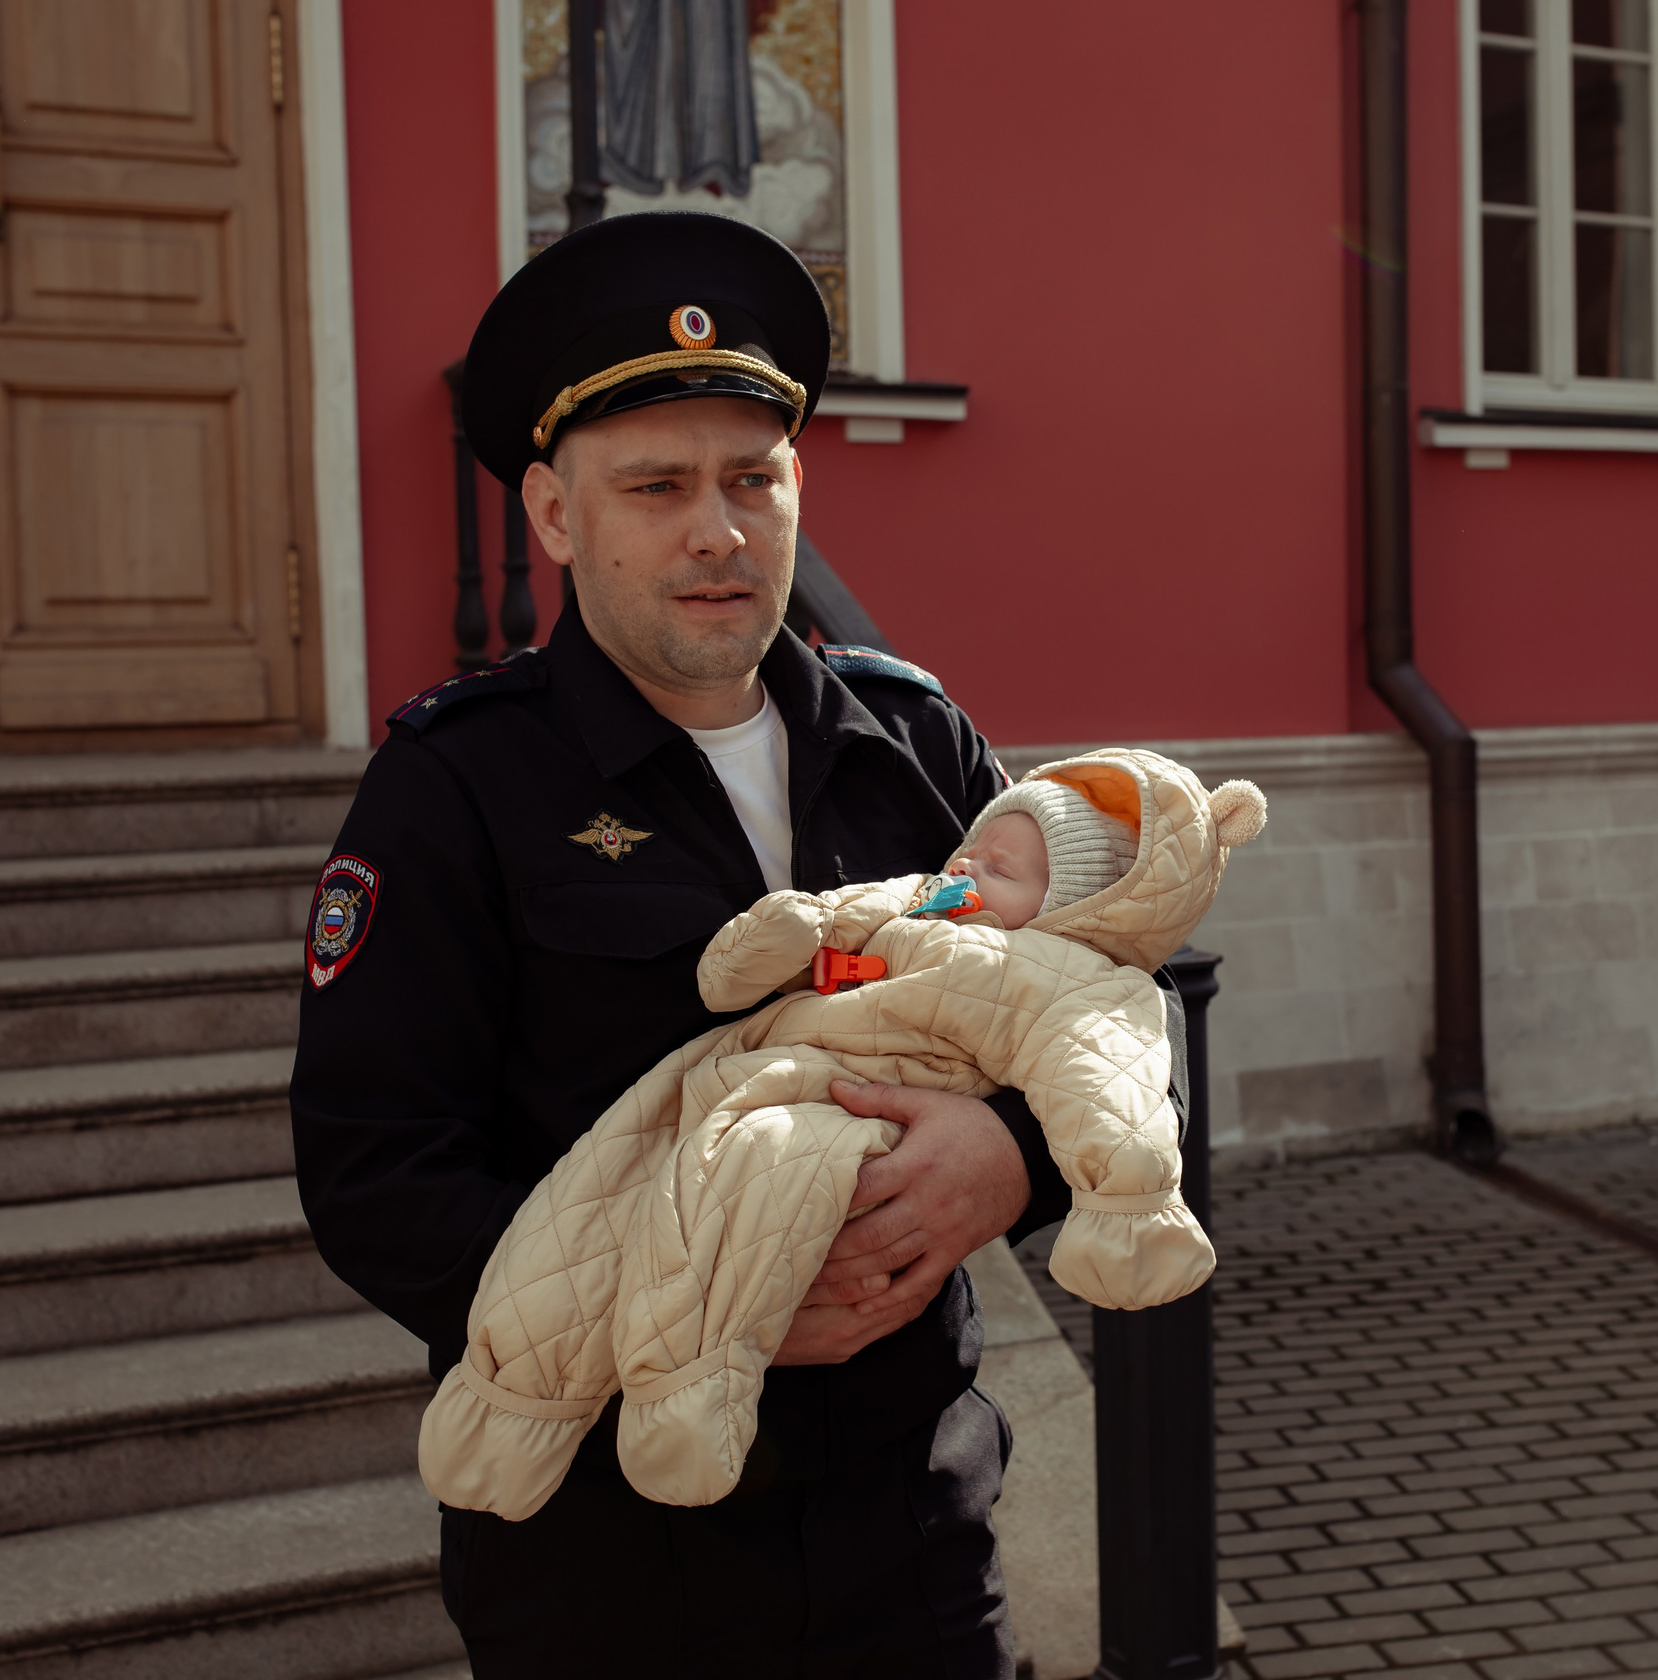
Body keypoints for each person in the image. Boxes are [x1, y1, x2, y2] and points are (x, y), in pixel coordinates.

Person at [290, 211, 1177, 1678]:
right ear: (557, 515)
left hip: (915, 1525)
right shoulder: (457, 787)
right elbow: (376, 1171)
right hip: (615, 1561)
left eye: (751, 479)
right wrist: (702, 1283)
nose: (717, 529)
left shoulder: (913, 742)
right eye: (657, 485)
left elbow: (1107, 1014)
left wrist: (1014, 1152)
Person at [414, 751, 1265, 1514]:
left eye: (1001, 869)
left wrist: (1119, 1198)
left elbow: (1110, 1079)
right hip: (732, 1075)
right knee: (589, 1196)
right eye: (970, 851)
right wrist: (790, 933)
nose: (967, 865)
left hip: (848, 1122)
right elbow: (832, 919)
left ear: (1074, 911)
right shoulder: (919, 906)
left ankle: (687, 1392)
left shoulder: (1060, 967)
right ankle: (506, 1409)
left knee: (754, 1173)